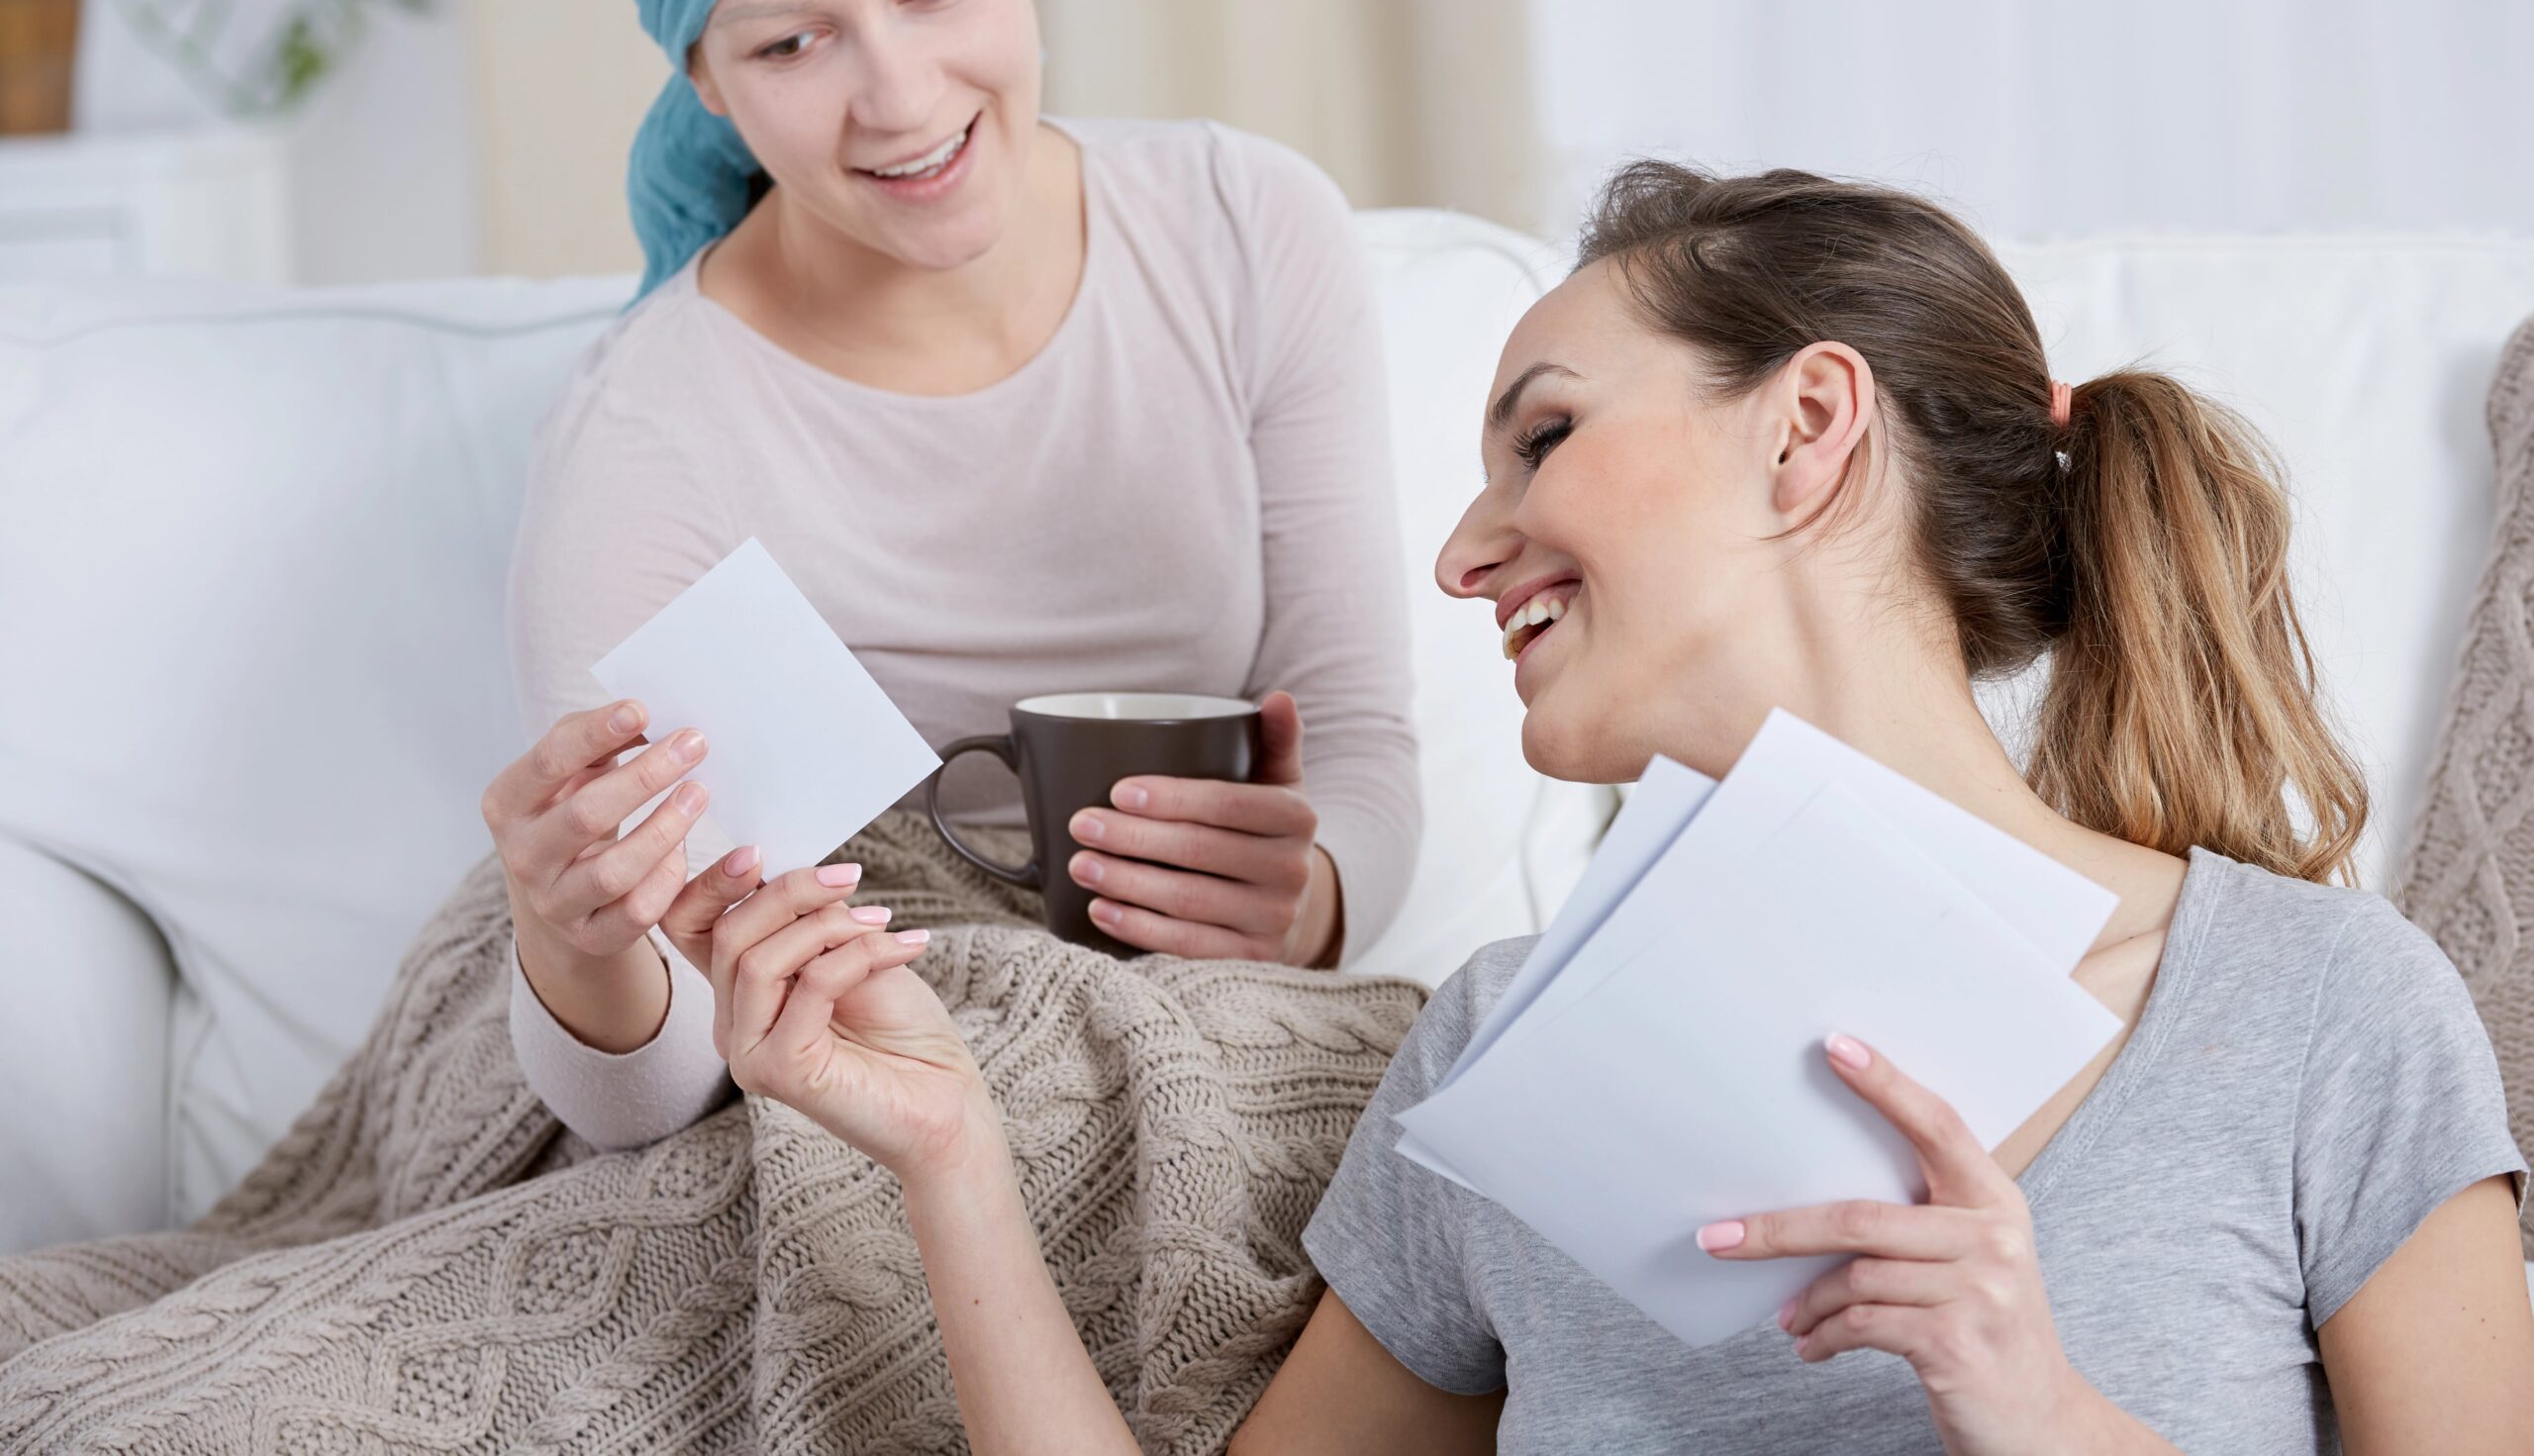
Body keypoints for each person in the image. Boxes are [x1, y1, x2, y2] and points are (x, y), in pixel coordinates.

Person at [700, 162, 2534, 1451]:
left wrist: (2039, 1408)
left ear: (1808, 431)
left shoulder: (2323, 1012)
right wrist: (949, 1158)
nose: (1460, 550)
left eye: (1547, 436)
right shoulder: (1508, 1054)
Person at [489, 0, 1418, 1152]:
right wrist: (578, 948)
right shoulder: (647, 433)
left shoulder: (1246, 232)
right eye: (792, 45)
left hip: (1204, 1048)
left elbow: (1361, 748)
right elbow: (645, 1098)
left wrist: (1312, 894)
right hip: (822, 1104)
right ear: (704, 78)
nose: (900, 96)